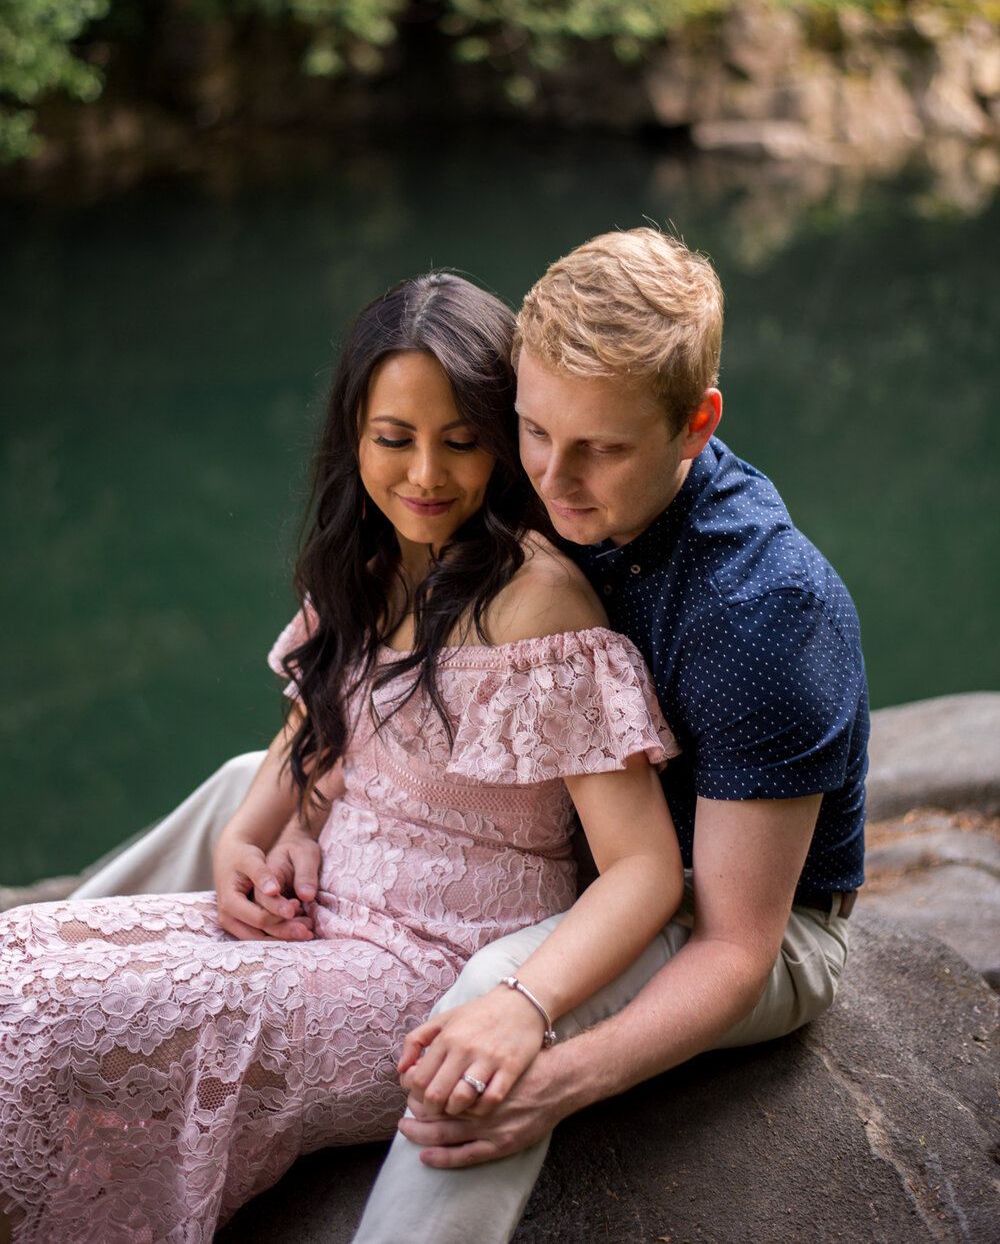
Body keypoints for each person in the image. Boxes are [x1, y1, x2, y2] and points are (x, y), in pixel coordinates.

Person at [62, 226, 868, 1244]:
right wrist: (301, 814)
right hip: (578, 850)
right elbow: (363, 687)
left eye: (602, 449)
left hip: (741, 915)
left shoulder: (763, 609)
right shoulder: (528, 471)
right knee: (241, 785)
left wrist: (553, 1068)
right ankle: (56, 1005)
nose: (557, 477)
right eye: (531, 431)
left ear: (694, 424)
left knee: (492, 1003)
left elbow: (736, 943)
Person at [0, 274, 686, 1244]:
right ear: (353, 435)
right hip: (319, 921)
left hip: (432, 970)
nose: (425, 473)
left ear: (505, 437)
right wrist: (254, 834)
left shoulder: (539, 605)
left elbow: (646, 866)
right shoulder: (369, 563)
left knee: (44, 1022)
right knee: (12, 959)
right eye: (392, 437)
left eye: (461, 439)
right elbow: (311, 727)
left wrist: (525, 1002)